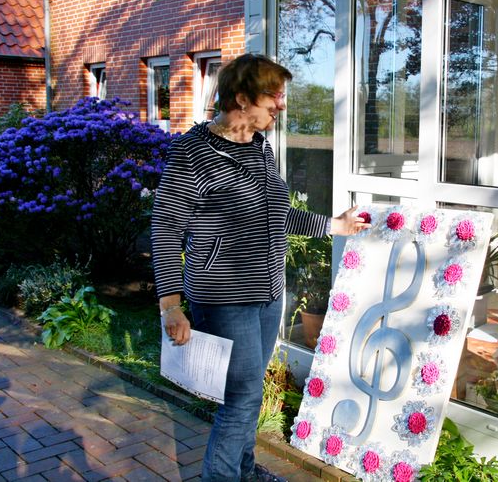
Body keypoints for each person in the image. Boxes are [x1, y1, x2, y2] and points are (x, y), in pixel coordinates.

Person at [151, 53, 368, 482]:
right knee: (242, 397)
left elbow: (276, 214)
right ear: (241, 98)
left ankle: (245, 471)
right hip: (224, 296)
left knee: (248, 393)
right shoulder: (192, 153)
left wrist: (334, 226)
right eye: (274, 96)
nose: (281, 105)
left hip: (267, 293)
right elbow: (166, 228)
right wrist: (170, 305)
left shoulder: (259, 147)